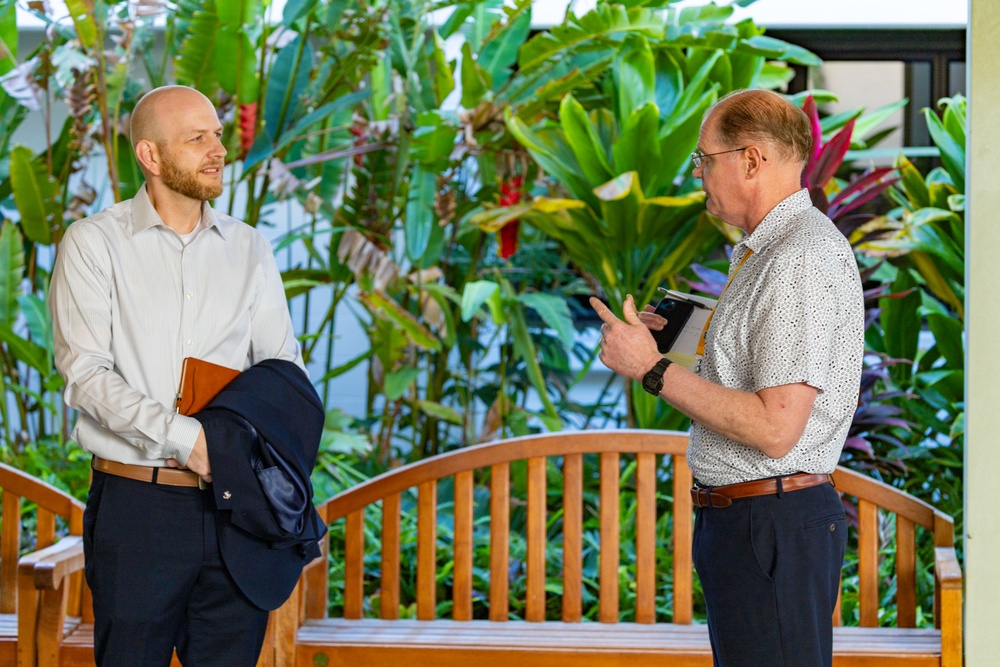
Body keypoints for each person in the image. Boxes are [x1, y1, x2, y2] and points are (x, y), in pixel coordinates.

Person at [590, 88, 865, 667]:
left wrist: (650, 367)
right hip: (757, 522)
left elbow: (774, 428)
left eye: (703, 158)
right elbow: (756, 371)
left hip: (770, 522)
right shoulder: (771, 251)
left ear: (751, 160)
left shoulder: (796, 258)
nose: (698, 173)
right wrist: (672, 343)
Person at [50, 85, 304, 665]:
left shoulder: (250, 249)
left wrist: (241, 455)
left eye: (218, 135)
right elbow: (85, 374)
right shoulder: (94, 244)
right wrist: (189, 440)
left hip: (236, 512)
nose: (218, 150)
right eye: (197, 138)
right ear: (151, 156)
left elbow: (282, 373)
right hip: (137, 509)